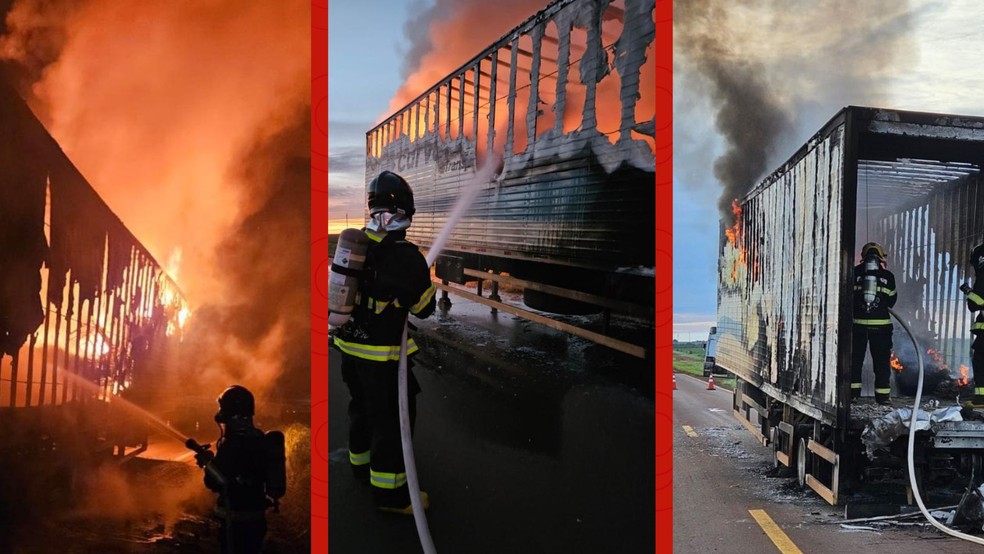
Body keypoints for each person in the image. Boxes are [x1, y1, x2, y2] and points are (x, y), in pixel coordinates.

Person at [331, 170, 437, 515]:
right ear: (405, 210)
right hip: (382, 359)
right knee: (391, 422)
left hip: (349, 350)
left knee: (360, 409)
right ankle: (390, 496)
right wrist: (424, 282)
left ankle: (361, 467)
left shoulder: (357, 244)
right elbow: (424, 309)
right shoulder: (405, 254)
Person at [193, 385, 286, 554]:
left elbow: (215, 482)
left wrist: (207, 463)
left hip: (234, 523)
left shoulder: (232, 444)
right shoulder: (259, 438)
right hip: (256, 519)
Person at [851, 242, 898, 405]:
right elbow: (891, 302)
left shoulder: (854, 273)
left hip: (857, 327)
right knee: (882, 363)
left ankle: (852, 395)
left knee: (855, 361)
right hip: (882, 328)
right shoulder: (888, 277)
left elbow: (847, 299)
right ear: (880, 257)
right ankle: (883, 397)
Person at [961, 240, 984, 404]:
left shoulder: (982, 276)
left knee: (980, 360)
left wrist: (968, 291)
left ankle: (981, 397)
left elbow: (976, 303)